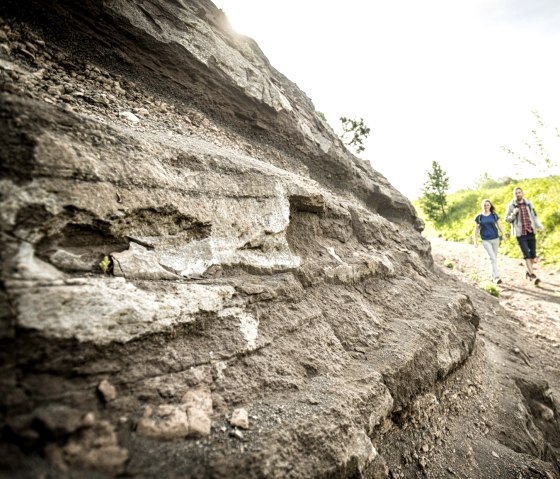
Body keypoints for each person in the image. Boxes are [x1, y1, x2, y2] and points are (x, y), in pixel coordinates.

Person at [504, 186, 544, 283]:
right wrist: (513, 214)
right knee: (526, 254)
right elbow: (506, 219)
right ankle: (532, 275)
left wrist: (539, 225)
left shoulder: (528, 203)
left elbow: (534, 216)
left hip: (530, 231)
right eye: (516, 193)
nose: (518, 194)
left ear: (522, 193)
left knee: (533, 256)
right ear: (514, 195)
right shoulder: (511, 205)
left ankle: (528, 271)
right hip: (520, 234)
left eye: (519, 192)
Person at [474, 199, 507, 283]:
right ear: (482, 206)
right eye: (484, 205)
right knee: (492, 257)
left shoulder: (494, 215)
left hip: (495, 239)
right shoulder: (479, 217)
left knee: (494, 258)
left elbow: (499, 225)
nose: (486, 207)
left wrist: (503, 234)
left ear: (490, 206)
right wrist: (475, 241)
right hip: (485, 240)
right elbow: (476, 230)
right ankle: (496, 277)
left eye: (487, 205)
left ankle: (492, 275)